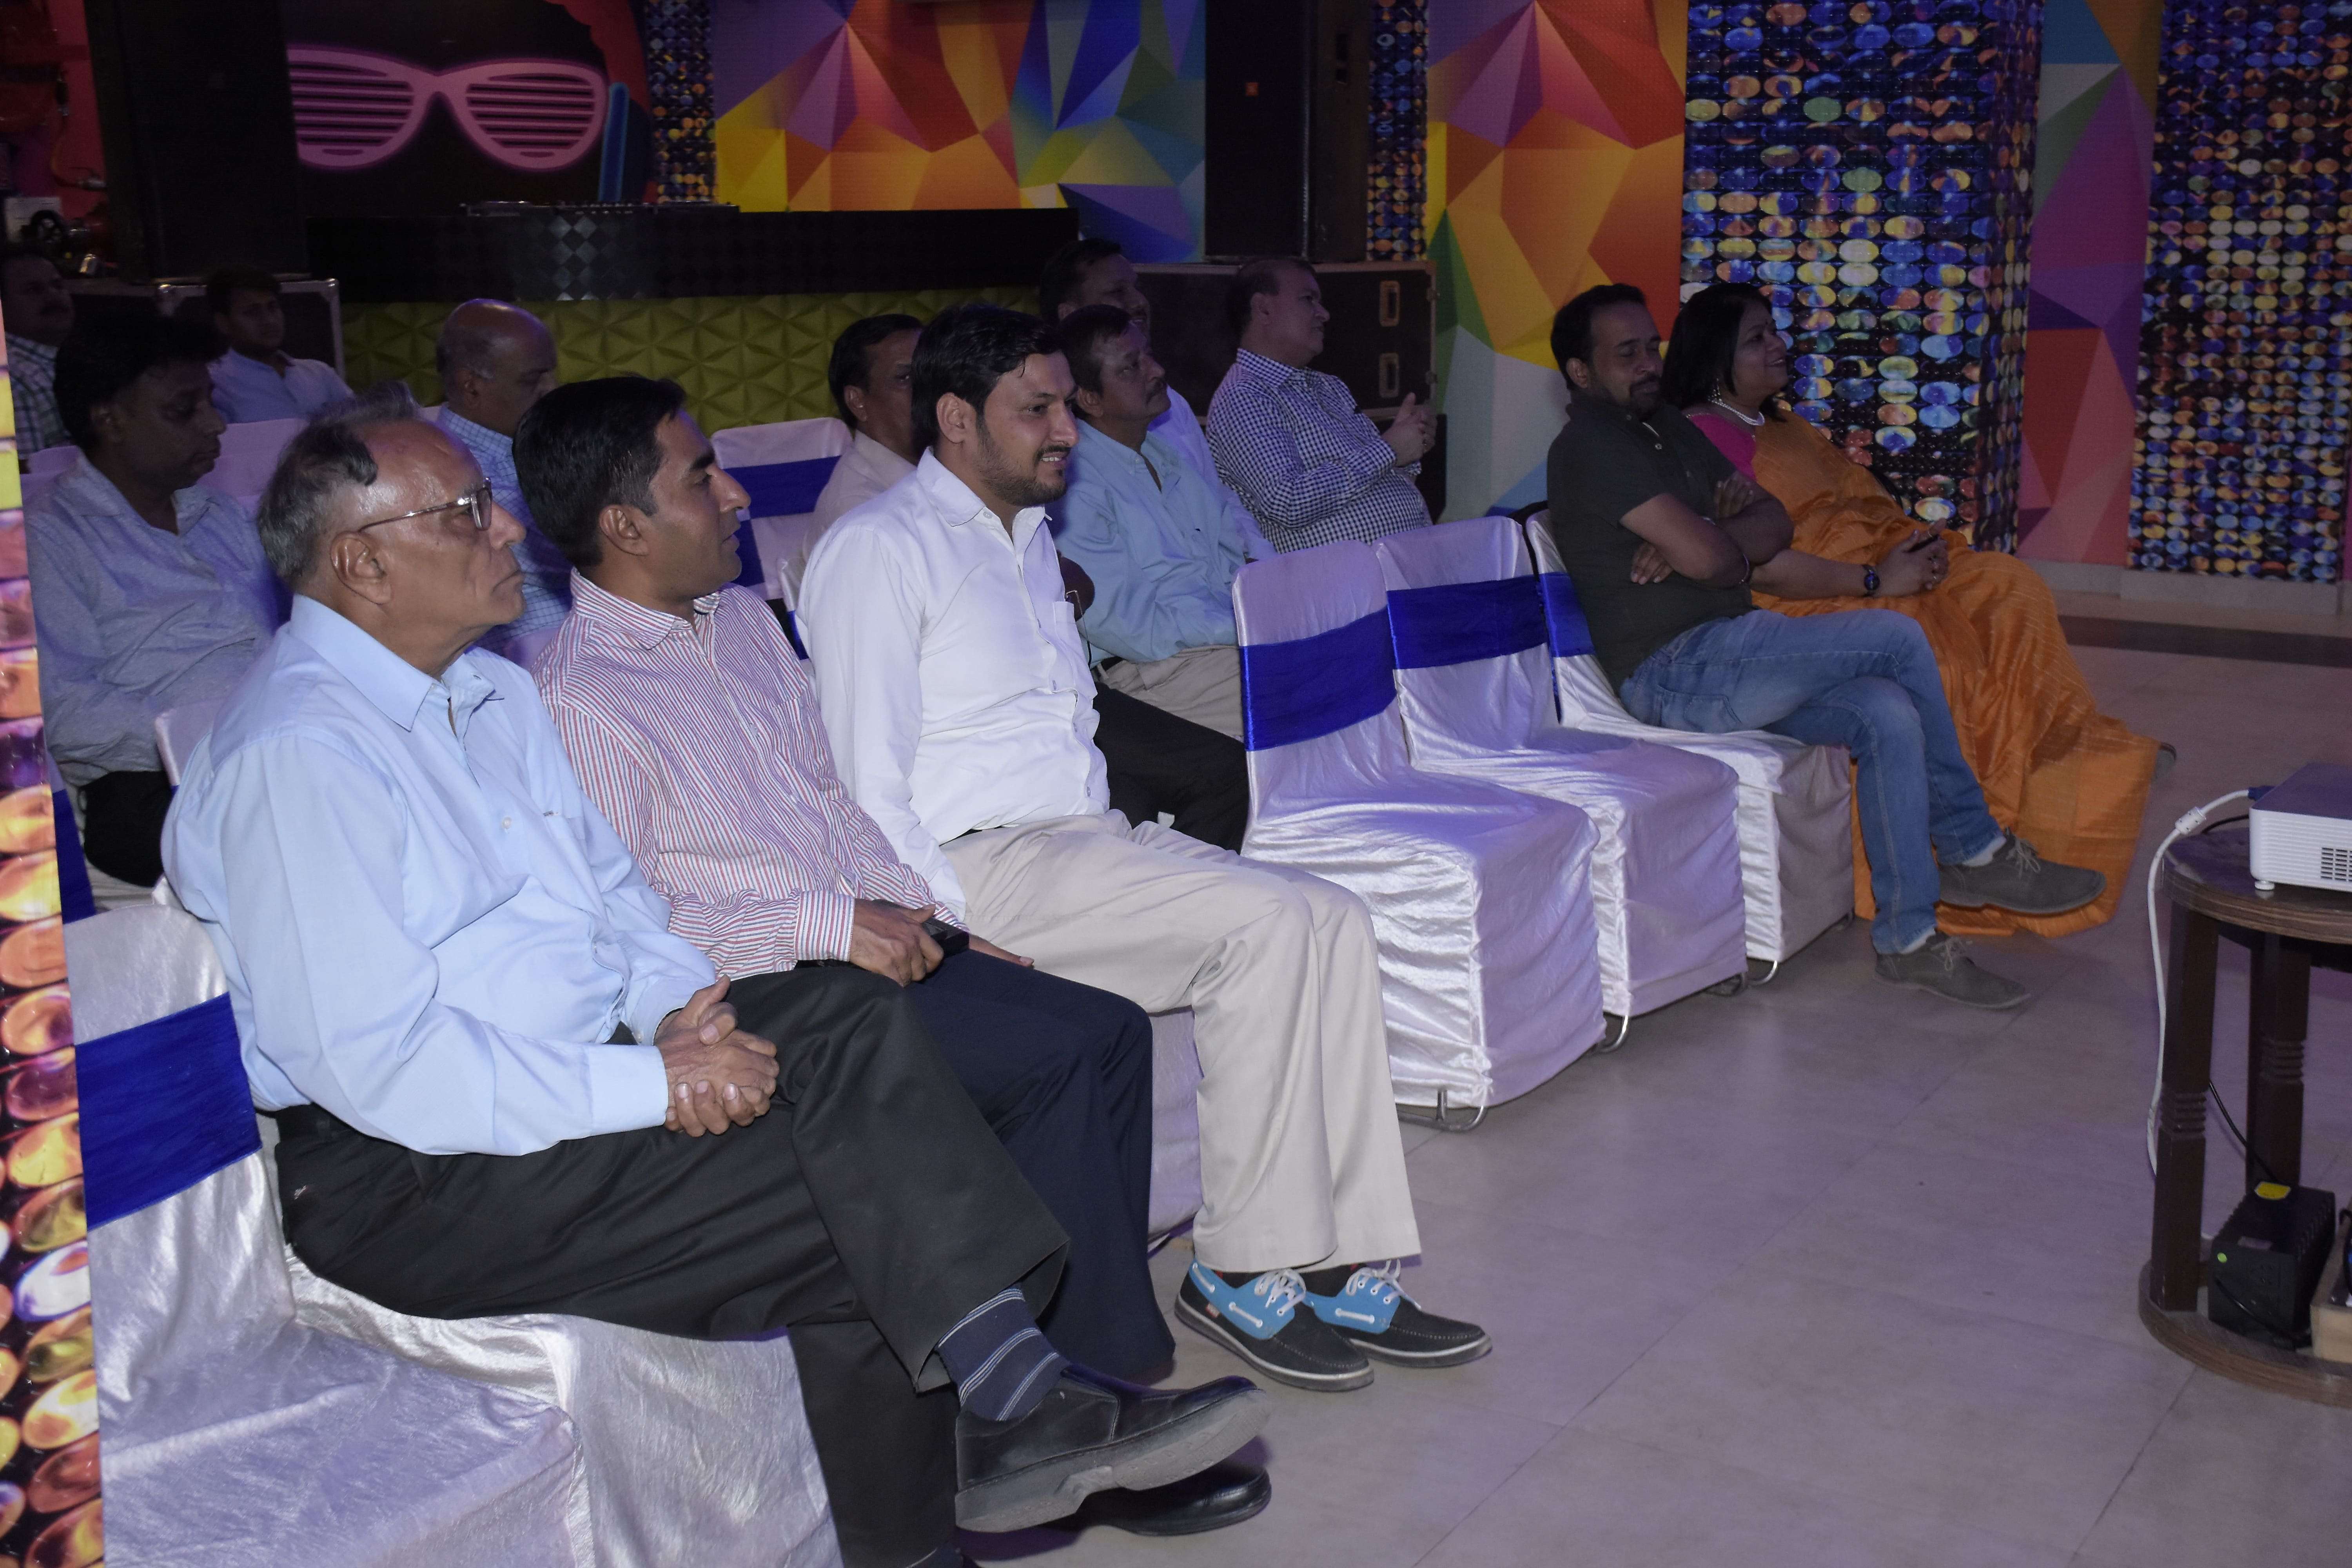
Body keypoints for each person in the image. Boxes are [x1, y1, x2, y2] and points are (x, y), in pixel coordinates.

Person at [162, 386, 1268, 1568]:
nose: (508, 529)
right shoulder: (303, 755)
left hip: (567, 1079)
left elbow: (619, 900)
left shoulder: (491, 693)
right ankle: (1014, 1417)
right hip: (415, 1171)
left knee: (849, 1022)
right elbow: (387, 1068)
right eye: (469, 511)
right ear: (363, 564)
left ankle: (1011, 1419)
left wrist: (673, 1013)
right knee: (871, 1190)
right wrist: (661, 1081)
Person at [517, 374, 1270, 1539]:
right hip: (750, 984)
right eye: (700, 476)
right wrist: (833, 926)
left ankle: (1092, 1398)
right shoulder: (578, 696)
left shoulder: (741, 620)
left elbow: (832, 802)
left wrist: (935, 919)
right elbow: (634, 925)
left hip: (850, 938)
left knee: (1101, 1031)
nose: (734, 494)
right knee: (1041, 1059)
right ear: (624, 526)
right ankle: (1040, 1422)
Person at [802, 304, 1490, 1394]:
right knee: (1271, 928)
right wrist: (946, 932)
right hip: (977, 870)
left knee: (1333, 917)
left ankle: (1338, 1262)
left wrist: (1124, 842)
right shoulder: (878, 549)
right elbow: (860, 777)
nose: (1064, 429)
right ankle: (1241, 1269)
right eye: (1036, 409)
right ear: (957, 419)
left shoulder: (1026, 536)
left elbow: (1068, 727)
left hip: (1078, 842)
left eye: (1064, 406)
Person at [1544, 283, 2106, 1009]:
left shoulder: (1665, 428)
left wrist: (1699, 539)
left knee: (1887, 712)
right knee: (1896, 635)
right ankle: (1972, 847)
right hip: (1674, 670)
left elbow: (1770, 524)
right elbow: (1718, 560)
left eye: (1652, 347)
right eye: (1627, 354)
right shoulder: (1590, 447)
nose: (1649, 363)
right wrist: (1709, 547)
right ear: (1580, 372)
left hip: (1727, 652)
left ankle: (1909, 940)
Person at [1664, 281, 2161, 939]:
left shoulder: (1782, 425)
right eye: (1757, 338)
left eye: (1774, 330)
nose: (1779, 345)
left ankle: (2070, 760)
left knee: (2007, 587)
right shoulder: (1706, 435)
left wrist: (1910, 555)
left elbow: (1857, 505)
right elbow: (1753, 563)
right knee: (1934, 642)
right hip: (1806, 596)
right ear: (1714, 359)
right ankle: (1960, 845)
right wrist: (1877, 580)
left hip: (1871, 565)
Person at [27, 312, 275, 887]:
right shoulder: (51, 537)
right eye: (184, 410)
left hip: (267, 748)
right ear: (110, 420)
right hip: (155, 780)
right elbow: (66, 713)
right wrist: (216, 731)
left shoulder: (217, 514)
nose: (215, 424)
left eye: (211, 402)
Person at [1054, 303, 1259, 742]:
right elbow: (1131, 627)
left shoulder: (1166, 456)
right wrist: (1245, 625)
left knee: (1350, 664)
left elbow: (1230, 566)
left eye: (1147, 354)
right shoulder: (1074, 482)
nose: (1157, 370)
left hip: (1221, 652)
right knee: (1309, 693)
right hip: (1147, 674)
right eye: (1131, 367)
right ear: (1089, 399)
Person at [1208, 256, 1432, 551]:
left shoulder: (1329, 386)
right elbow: (1287, 501)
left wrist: (1407, 450)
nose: (1324, 314)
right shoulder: (1244, 395)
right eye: (1308, 300)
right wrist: (1389, 449)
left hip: (1402, 562)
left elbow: (1370, 479)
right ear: (1263, 309)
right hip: (1343, 578)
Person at [430, 299, 570, 651]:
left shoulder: (526, 442)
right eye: (532, 380)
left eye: (551, 374)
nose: (551, 389)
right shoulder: (456, 469)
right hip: (536, 654)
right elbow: (591, 555)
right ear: (472, 388)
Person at [1036, 236, 1218, 484]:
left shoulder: (1169, 399)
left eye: (1137, 287)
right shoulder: (1051, 424)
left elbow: (1214, 493)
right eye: (1117, 292)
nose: (1139, 301)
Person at [811, 313, 923, 533]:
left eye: (932, 373)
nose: (930, 389)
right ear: (858, 402)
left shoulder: (940, 471)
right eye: (905, 378)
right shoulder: (862, 512)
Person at [205, 265, 352, 423]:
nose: (269, 321)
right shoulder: (214, 384)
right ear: (223, 323)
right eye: (252, 312)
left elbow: (360, 424)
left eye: (273, 308)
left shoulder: (320, 373)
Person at [3, 245, 74, 454]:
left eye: (57, 285)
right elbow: (25, 473)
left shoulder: (65, 360)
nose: (53, 296)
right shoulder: (17, 384)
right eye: (33, 290)